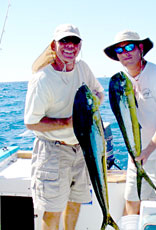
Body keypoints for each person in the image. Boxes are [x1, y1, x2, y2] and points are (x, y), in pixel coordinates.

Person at [24, 24, 104, 229]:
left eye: (75, 41)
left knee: (75, 202)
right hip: (54, 151)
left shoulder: (83, 68)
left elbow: (98, 93)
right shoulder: (42, 79)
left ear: (80, 45)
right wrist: (66, 122)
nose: (70, 46)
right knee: (52, 211)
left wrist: (92, 104)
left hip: (82, 149)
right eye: (64, 41)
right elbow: (31, 122)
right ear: (54, 45)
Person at [104, 30, 156, 215]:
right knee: (132, 202)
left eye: (130, 47)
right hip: (137, 156)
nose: (125, 52)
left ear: (141, 48)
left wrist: (148, 150)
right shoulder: (122, 82)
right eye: (120, 49)